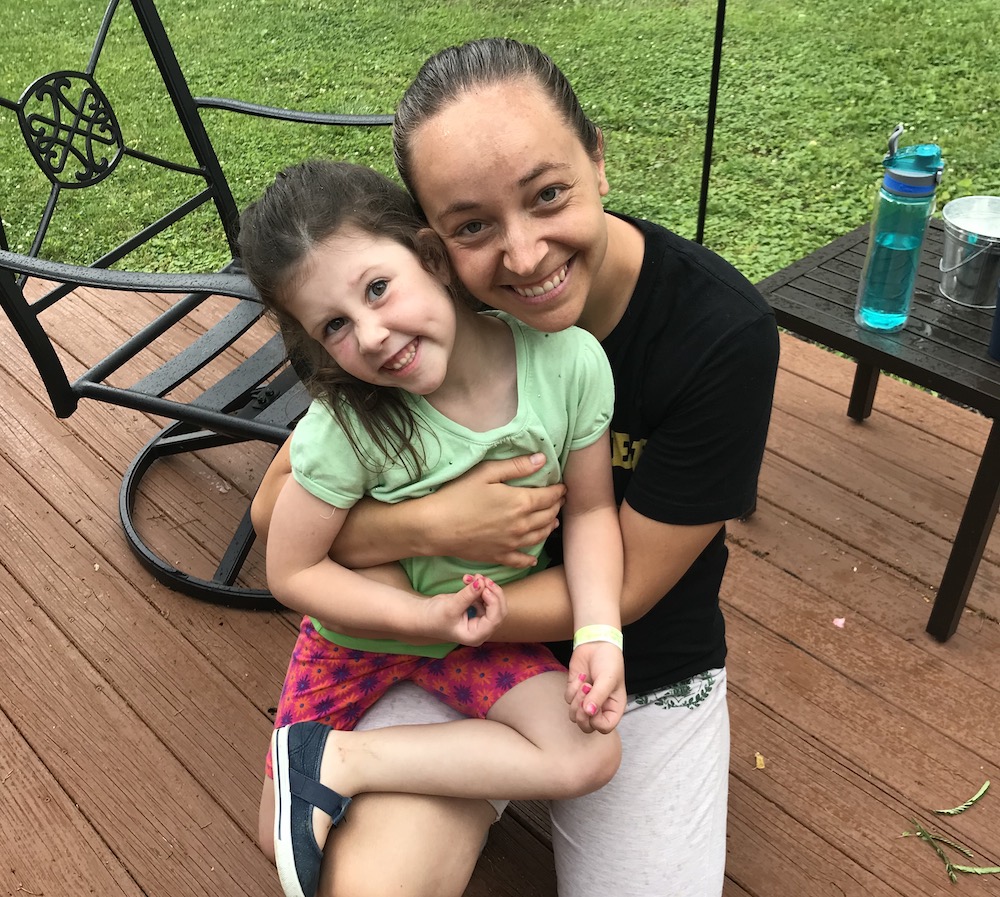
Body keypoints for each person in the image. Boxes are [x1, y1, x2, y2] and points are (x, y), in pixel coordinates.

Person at [251, 38, 780, 897]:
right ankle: (330, 760)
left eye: (547, 195)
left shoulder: (714, 336)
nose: (525, 255)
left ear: (598, 161)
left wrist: (449, 604)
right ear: (433, 243)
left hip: (630, 657)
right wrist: (432, 529)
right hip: (436, 633)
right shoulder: (415, 324)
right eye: (472, 226)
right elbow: (281, 518)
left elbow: (628, 582)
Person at [238, 159, 626, 897]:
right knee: (278, 841)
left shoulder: (569, 366)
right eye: (336, 326)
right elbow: (290, 571)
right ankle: (318, 760)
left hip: (472, 641)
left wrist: (598, 633)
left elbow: (590, 509)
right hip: (351, 644)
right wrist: (421, 614)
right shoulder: (348, 424)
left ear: (429, 255)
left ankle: (336, 760)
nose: (375, 336)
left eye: (378, 288)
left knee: (588, 754)